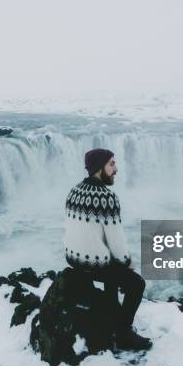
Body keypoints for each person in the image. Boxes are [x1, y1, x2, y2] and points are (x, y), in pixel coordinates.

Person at [63, 148, 152, 351]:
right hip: (93, 263)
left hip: (72, 258)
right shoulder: (106, 197)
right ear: (99, 167)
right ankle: (123, 334)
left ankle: (111, 311)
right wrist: (128, 263)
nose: (116, 169)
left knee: (112, 266)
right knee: (136, 283)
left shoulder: (73, 191)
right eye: (111, 164)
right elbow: (117, 242)